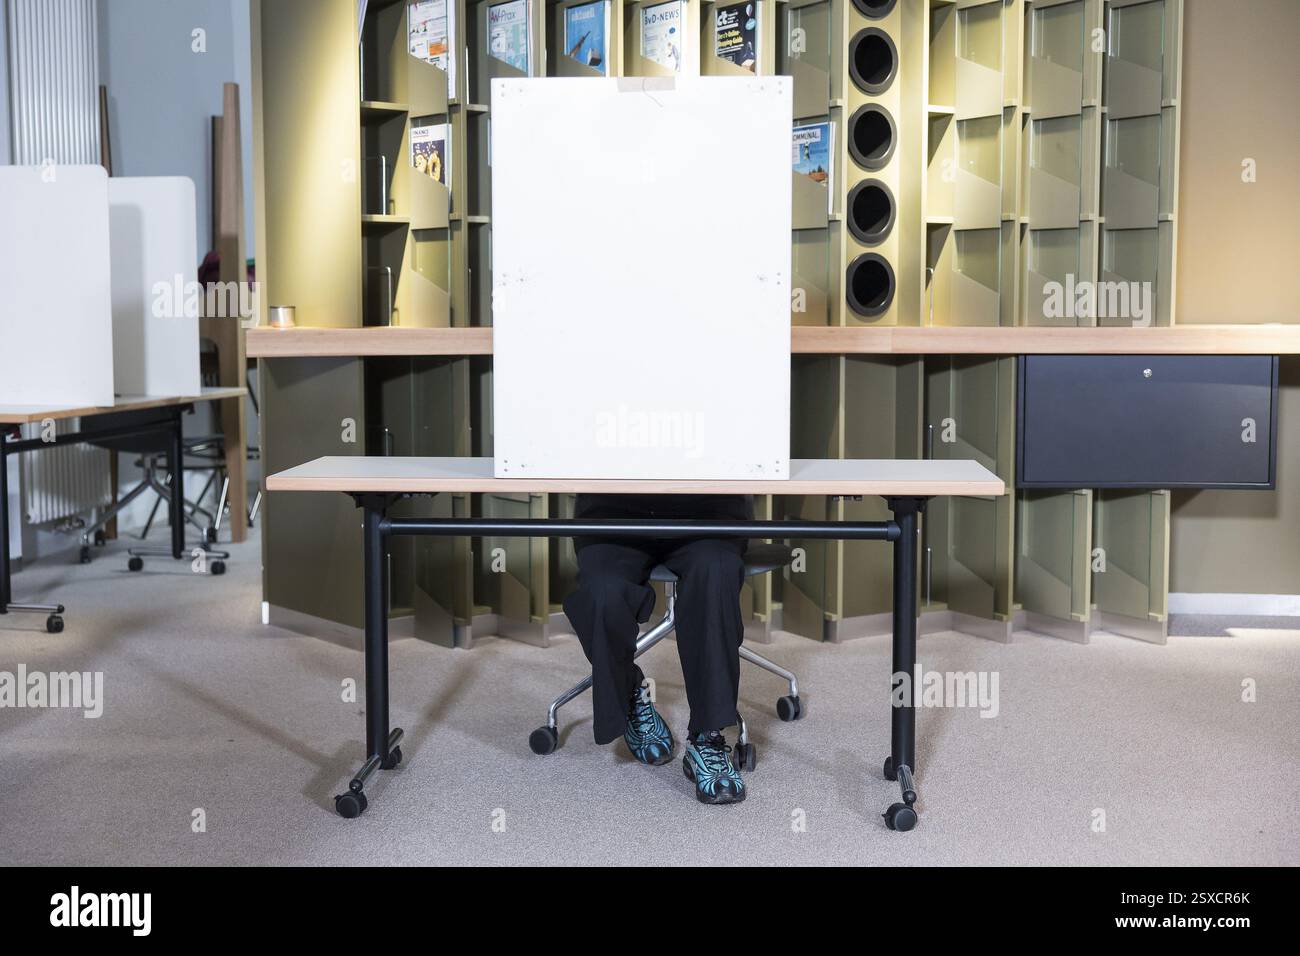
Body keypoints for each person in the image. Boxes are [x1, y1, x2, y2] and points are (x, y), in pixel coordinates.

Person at [562, 493, 751, 804]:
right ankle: (629, 692)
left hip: (708, 512)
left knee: (715, 572)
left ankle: (708, 737)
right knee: (602, 593)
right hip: (613, 512)